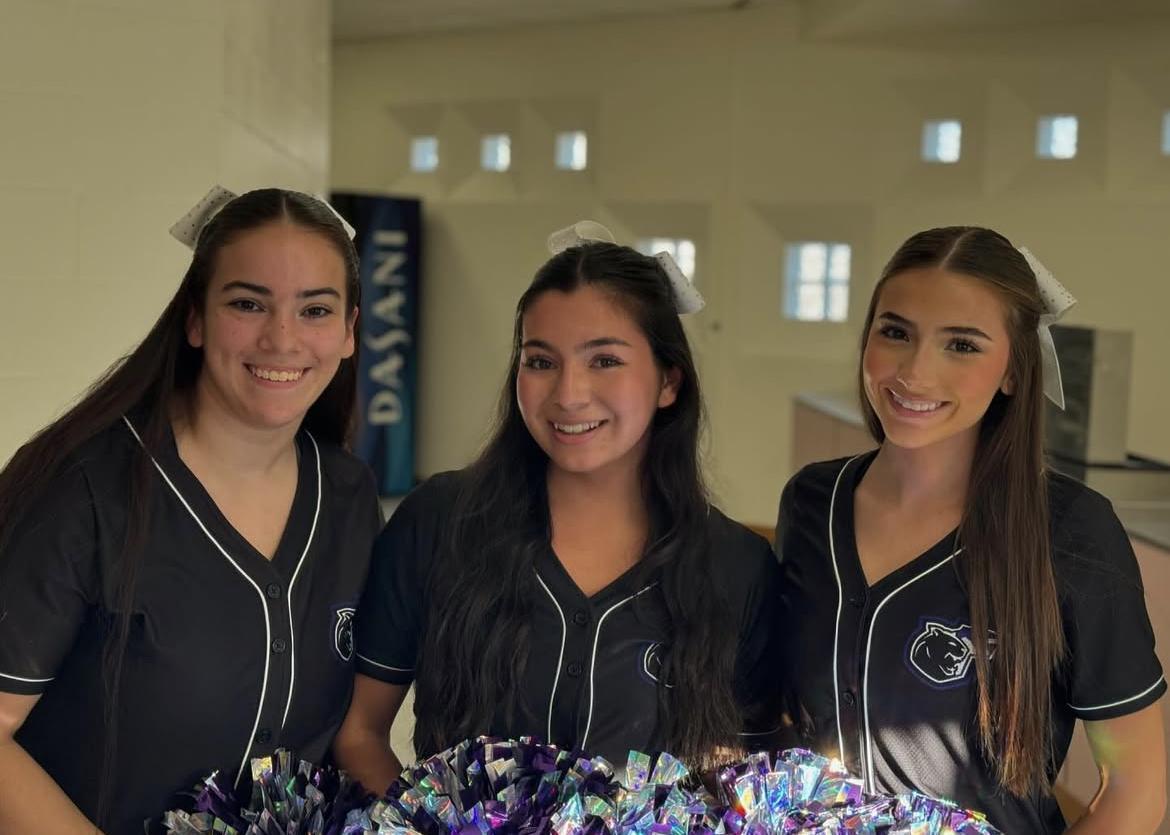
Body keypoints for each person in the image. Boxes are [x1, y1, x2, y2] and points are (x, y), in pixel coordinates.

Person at [334, 222, 782, 793]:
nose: (568, 394)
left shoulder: (736, 567)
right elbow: (360, 733)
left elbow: (738, 778)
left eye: (605, 361)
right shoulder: (439, 521)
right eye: (541, 361)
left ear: (669, 381)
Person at [0, 187, 382, 834]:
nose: (282, 337)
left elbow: (351, 736)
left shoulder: (347, 495)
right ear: (196, 319)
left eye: (315, 309)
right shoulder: (85, 489)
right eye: (247, 303)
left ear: (348, 332)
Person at [774, 226, 1166, 833]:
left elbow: (1136, 790)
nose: (914, 371)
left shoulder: (1070, 531)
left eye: (962, 345)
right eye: (896, 332)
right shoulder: (811, 503)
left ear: (1013, 372)